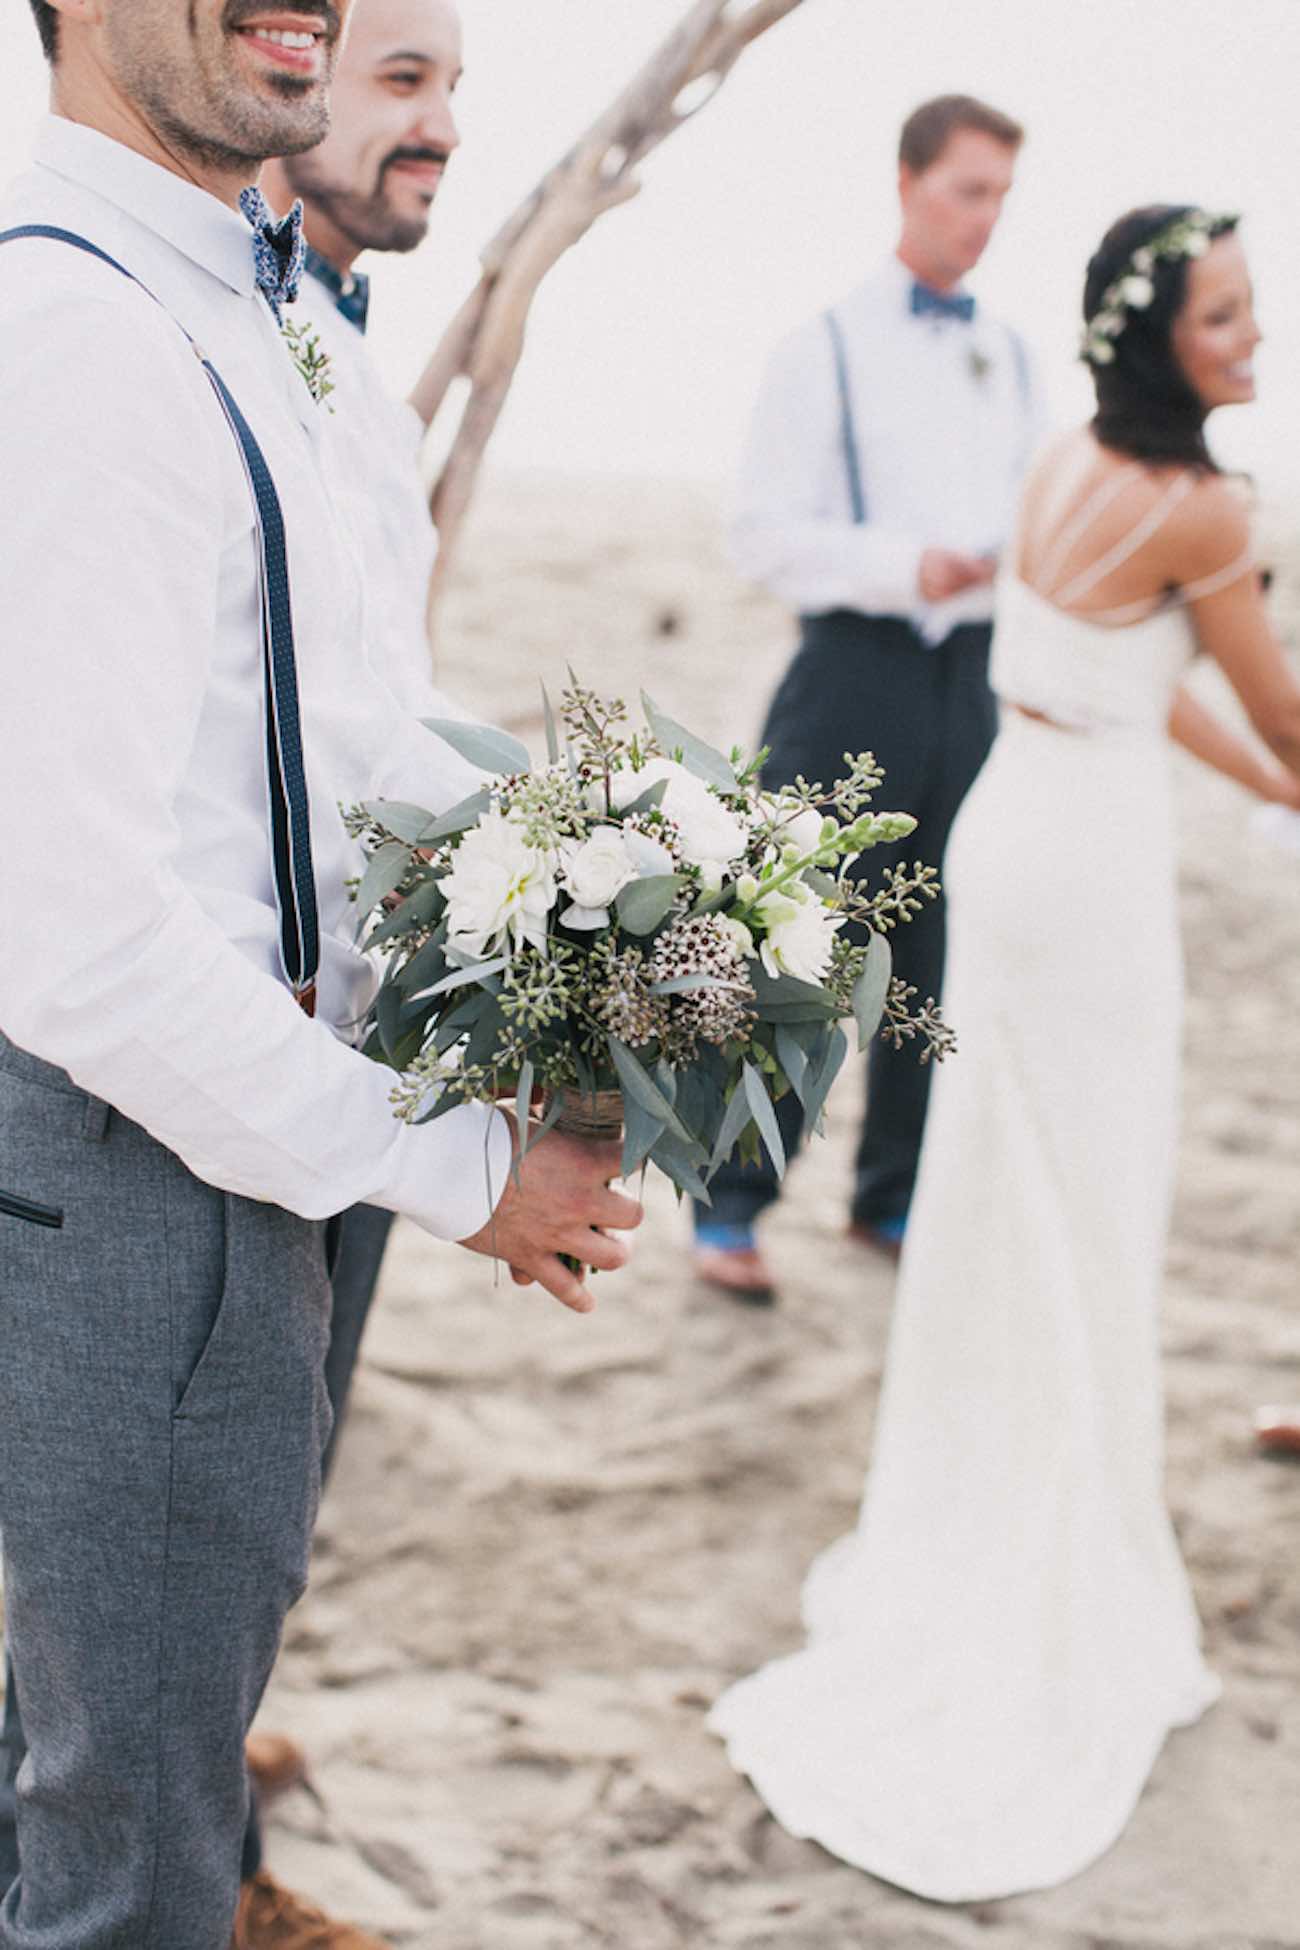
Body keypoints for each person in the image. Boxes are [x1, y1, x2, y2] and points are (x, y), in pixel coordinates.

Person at [0, 3, 642, 1948]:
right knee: (140, 1875)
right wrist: (460, 1174)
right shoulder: (84, 338)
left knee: (138, 1729)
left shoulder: (258, 304)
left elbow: (351, 719)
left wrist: (610, 899)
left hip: (279, 1116)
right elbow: (73, 933)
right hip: (147, 1165)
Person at [709, 205, 1300, 1899]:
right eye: (1229, 316)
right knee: (1090, 1195)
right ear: (1156, 339)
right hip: (1092, 871)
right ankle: (1066, 1555)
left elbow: (1145, 671)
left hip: (1014, 818)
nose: (1255, 337)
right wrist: (1288, 765)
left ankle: (993, 1503)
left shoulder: (1061, 459)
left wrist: (1272, 790)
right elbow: (1274, 699)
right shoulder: (1210, 506)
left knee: (1004, 1188)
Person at [692, 94, 1042, 1303]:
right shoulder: (822, 344)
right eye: (966, 190)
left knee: (938, 951)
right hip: (852, 668)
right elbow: (760, 533)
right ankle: (730, 1206)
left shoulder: (1014, 353)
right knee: (803, 939)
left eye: (1000, 194)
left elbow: (1036, 507)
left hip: (973, 680)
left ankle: (892, 1198)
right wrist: (906, 567)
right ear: (907, 184)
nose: (985, 218)